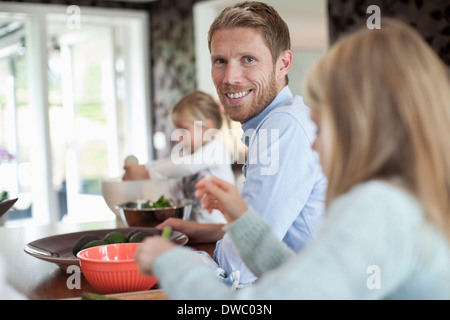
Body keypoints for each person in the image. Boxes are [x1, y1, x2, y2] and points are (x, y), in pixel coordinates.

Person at [135, 18, 450, 299]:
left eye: (321, 127)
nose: (313, 146)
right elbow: (308, 279)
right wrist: (243, 222)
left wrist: (170, 263)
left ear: (360, 126)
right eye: (220, 60)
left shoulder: (378, 206)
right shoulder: (396, 197)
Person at [156, 1, 327, 286]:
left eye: (248, 59)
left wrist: (190, 258)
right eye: (220, 61)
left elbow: (240, 271)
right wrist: (203, 231)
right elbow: (263, 231)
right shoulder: (276, 123)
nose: (230, 79)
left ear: (283, 63)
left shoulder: (283, 128)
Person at [123, 91, 235, 224]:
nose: (177, 135)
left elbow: (186, 166)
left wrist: (147, 174)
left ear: (206, 127)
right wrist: (143, 168)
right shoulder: (188, 154)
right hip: (194, 228)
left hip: (220, 229)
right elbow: (169, 163)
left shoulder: (216, 149)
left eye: (183, 128)